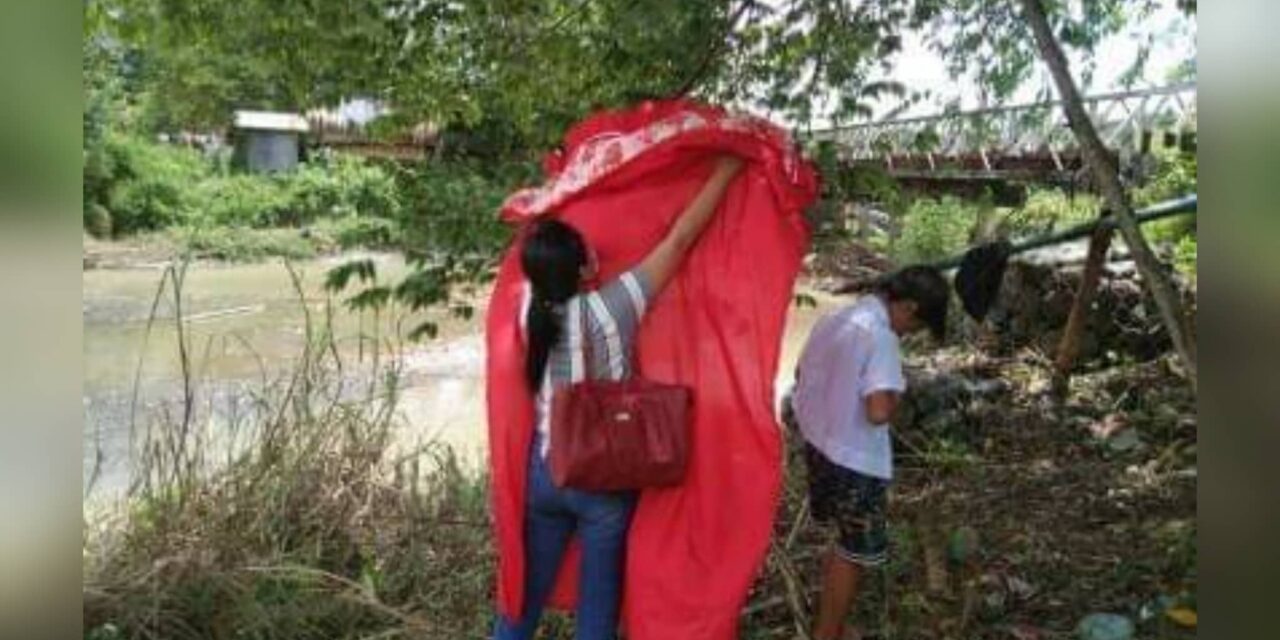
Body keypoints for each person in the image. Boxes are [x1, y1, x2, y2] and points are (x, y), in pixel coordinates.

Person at [494, 154, 745, 640]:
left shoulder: (526, 309)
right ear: (584, 266)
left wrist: (548, 195)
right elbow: (680, 240)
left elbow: (537, 253)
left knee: (523, 598)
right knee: (598, 612)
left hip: (545, 471)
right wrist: (725, 172)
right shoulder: (614, 307)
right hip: (602, 477)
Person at [788, 265, 950, 640]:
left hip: (821, 445)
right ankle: (827, 633)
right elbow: (878, 411)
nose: (909, 334)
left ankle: (832, 622)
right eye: (916, 326)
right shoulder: (881, 337)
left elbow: (799, 373)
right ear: (908, 307)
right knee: (853, 552)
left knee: (841, 538)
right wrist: (896, 396)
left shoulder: (837, 318)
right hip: (854, 460)